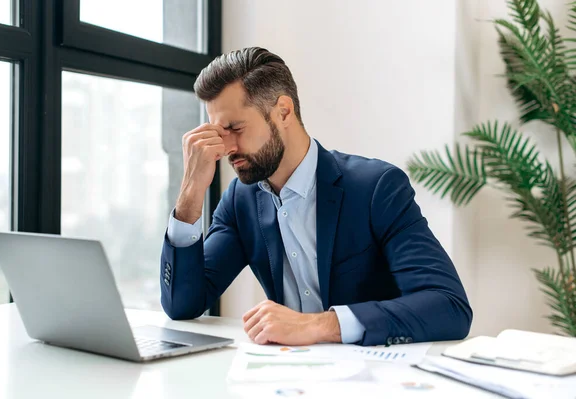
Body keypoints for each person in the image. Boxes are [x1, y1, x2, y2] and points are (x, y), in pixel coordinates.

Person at [160, 47, 472, 346]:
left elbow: (449, 306)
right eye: (217, 132)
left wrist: (317, 325)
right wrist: (191, 192)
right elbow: (183, 305)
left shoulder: (376, 188)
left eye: (234, 127)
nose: (226, 147)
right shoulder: (240, 201)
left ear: (283, 111)